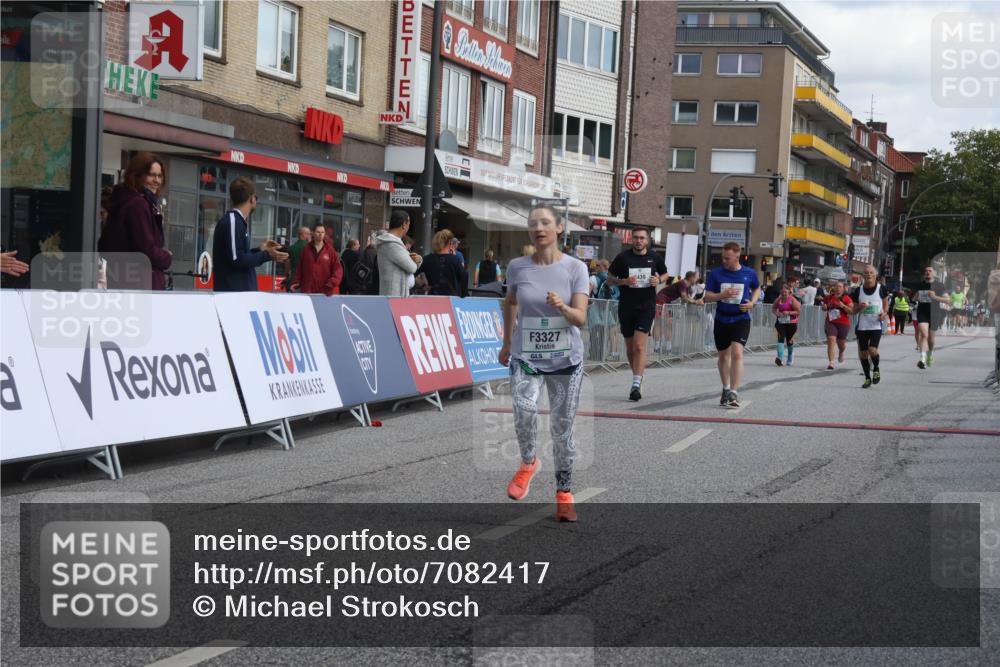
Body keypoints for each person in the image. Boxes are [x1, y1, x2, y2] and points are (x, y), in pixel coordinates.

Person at [498, 204, 589, 522]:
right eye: (533, 223)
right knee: (523, 410)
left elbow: (580, 318)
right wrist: (508, 341)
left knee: (562, 430)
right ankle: (527, 462)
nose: (539, 228)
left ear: (559, 228)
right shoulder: (517, 267)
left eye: (546, 222)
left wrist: (562, 306)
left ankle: (564, 492)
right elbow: (510, 301)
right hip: (526, 357)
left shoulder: (576, 268)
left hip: (566, 359)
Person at [606, 227, 669, 401]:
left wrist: (659, 280)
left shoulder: (654, 257)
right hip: (626, 306)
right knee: (630, 348)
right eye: (636, 238)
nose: (638, 241)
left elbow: (665, 274)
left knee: (640, 346)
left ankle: (635, 383)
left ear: (647, 240)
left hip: (646, 306)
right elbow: (609, 280)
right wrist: (623, 281)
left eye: (642, 238)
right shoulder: (622, 258)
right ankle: (638, 376)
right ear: (631, 239)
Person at [98, 152, 173, 290]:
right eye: (151, 175)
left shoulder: (126, 201)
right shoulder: (138, 205)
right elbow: (146, 249)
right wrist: (166, 257)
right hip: (140, 285)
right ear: (137, 175)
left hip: (125, 282)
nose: (157, 180)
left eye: (160, 176)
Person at [704, 242, 761, 408]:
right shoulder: (716, 274)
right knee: (723, 356)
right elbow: (707, 296)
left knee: (737, 353)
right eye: (723, 257)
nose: (724, 260)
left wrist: (753, 302)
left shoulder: (749, 273)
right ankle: (726, 388)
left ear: (737, 257)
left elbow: (756, 289)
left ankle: (734, 392)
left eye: (727, 258)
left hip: (741, 318)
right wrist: (722, 295)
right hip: (722, 318)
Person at [212, 177, 287, 292]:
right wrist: (267, 255)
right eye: (256, 197)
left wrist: (260, 250)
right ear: (251, 199)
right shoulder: (233, 221)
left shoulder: (237, 221)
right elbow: (236, 258)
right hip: (233, 295)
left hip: (239, 294)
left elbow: (238, 255)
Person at [849, 265, 889, 388]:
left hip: (876, 325)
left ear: (875, 275)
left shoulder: (881, 288)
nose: (869, 275)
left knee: (872, 350)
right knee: (863, 354)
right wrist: (859, 307)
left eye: (871, 273)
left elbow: (886, 305)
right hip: (862, 326)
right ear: (863, 275)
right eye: (866, 273)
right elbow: (853, 311)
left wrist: (884, 313)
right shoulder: (858, 290)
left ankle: (876, 369)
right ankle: (867, 378)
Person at [374, 210, 423, 297]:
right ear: (404, 225)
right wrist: (418, 260)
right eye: (408, 224)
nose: (408, 227)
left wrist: (416, 260)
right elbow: (411, 267)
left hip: (391, 295)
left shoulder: (390, 243)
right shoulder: (392, 244)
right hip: (394, 297)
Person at [914, 266, 950, 369]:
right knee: (924, 334)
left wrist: (934, 297)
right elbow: (915, 297)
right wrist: (915, 297)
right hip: (922, 312)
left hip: (934, 313)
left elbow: (947, 300)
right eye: (926, 271)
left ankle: (930, 353)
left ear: (934, 273)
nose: (927, 272)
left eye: (930, 271)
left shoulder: (939, 285)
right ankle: (922, 359)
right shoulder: (921, 284)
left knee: (931, 339)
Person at [291, 223, 342, 296]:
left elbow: (338, 269)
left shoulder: (330, 250)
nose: (320, 234)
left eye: (322, 232)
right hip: (307, 291)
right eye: (318, 232)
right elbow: (300, 268)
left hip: (324, 292)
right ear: (313, 233)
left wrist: (332, 282)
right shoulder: (306, 249)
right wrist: (296, 282)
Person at [416, 229, 467, 296]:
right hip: (451, 298)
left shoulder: (427, 259)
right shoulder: (454, 259)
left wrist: (423, 286)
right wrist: (463, 294)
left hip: (433, 297)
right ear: (450, 242)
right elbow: (464, 276)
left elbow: (412, 273)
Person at [821, 281, 853, 370]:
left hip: (843, 323)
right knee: (831, 340)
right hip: (831, 322)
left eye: (840, 286)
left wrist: (843, 306)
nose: (838, 288)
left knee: (841, 344)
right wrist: (825, 307)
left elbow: (851, 311)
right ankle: (831, 362)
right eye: (836, 286)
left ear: (843, 289)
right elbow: (823, 307)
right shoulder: (828, 297)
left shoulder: (847, 298)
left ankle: (841, 351)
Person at [771, 283, 800, 366]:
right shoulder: (778, 300)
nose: (783, 294)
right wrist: (776, 313)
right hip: (780, 322)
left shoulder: (792, 300)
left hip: (791, 323)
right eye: (782, 292)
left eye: (785, 292)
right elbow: (773, 308)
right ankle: (779, 358)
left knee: (789, 341)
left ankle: (790, 356)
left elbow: (798, 311)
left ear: (789, 292)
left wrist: (789, 312)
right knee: (780, 338)